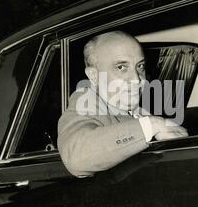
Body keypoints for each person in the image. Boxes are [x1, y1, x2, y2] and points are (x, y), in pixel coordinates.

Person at [57, 31, 188, 177]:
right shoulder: (85, 103)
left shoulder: (137, 110)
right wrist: (153, 125)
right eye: (121, 67)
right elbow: (77, 157)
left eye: (140, 66)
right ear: (94, 76)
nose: (137, 79)